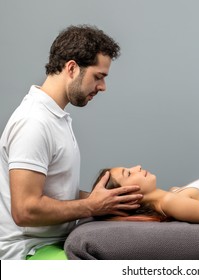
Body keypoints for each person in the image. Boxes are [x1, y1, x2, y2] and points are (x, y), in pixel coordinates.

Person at [0, 25, 142, 260]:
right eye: (99, 77)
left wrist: (113, 201)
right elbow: (25, 210)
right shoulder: (34, 122)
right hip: (26, 253)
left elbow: (56, 194)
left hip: (53, 242)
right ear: (72, 68)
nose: (103, 87)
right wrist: (92, 206)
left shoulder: (56, 117)